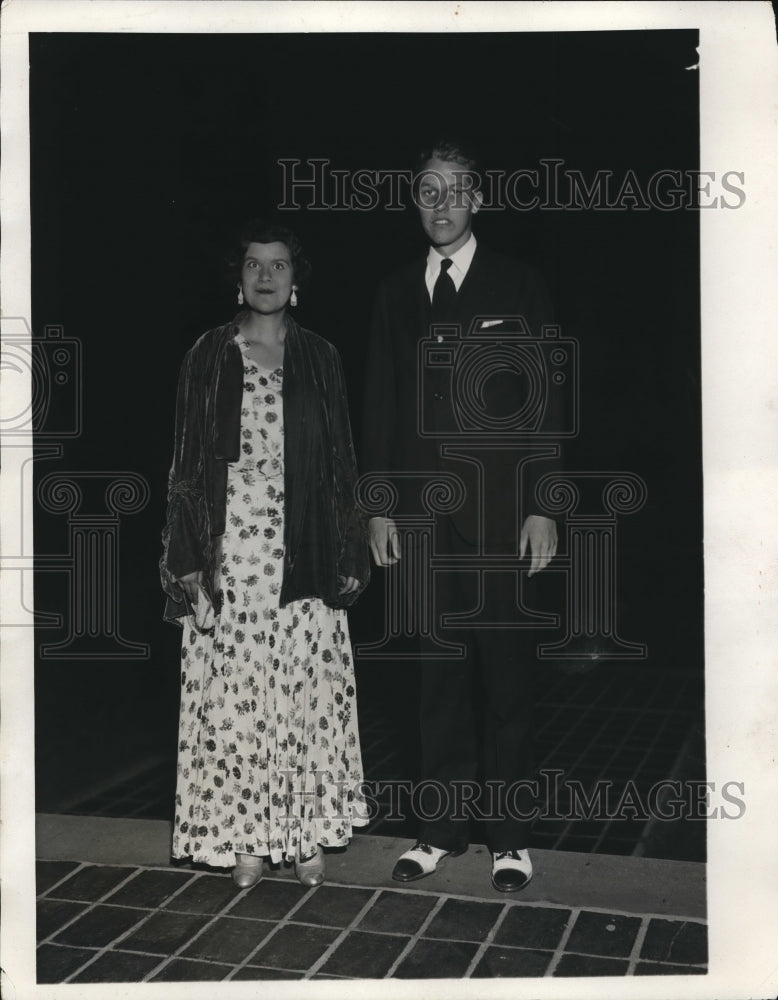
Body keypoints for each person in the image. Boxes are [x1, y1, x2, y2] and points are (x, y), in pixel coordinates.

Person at [361, 139, 563, 892]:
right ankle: (438, 830)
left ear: (477, 200)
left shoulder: (519, 283)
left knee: (506, 683)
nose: (439, 204)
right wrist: (378, 509)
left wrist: (544, 506)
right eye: (426, 191)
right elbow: (378, 405)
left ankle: (509, 837)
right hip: (418, 523)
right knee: (435, 682)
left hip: (501, 519)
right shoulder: (392, 292)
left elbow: (546, 405)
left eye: (453, 191)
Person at [160, 221, 370, 889]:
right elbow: (187, 464)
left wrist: (346, 546)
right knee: (239, 701)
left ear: (295, 278)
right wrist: (189, 562)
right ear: (238, 276)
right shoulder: (208, 353)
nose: (266, 275)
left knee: (300, 696)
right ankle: (248, 842)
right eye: (254, 264)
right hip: (234, 557)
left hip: (303, 552)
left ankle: (304, 838)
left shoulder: (322, 357)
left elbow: (341, 462)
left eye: (278, 264)